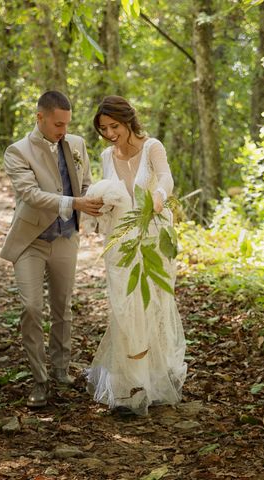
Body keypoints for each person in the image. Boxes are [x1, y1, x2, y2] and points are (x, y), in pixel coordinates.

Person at [0, 91, 103, 408]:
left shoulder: (77, 144)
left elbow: (84, 184)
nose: (63, 131)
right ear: (39, 117)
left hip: (66, 237)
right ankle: (39, 380)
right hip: (31, 240)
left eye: (67, 124)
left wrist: (101, 201)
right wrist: (73, 203)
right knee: (31, 308)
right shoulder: (17, 152)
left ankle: (61, 370)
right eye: (58, 124)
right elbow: (30, 195)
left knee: (63, 306)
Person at [86, 95, 187, 416]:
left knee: (151, 303)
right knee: (125, 306)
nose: (110, 133)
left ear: (128, 120)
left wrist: (158, 196)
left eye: (114, 126)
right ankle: (128, 388)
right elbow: (108, 193)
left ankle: (154, 381)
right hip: (120, 240)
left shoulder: (152, 146)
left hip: (153, 235)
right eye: (104, 129)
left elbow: (167, 178)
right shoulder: (105, 155)